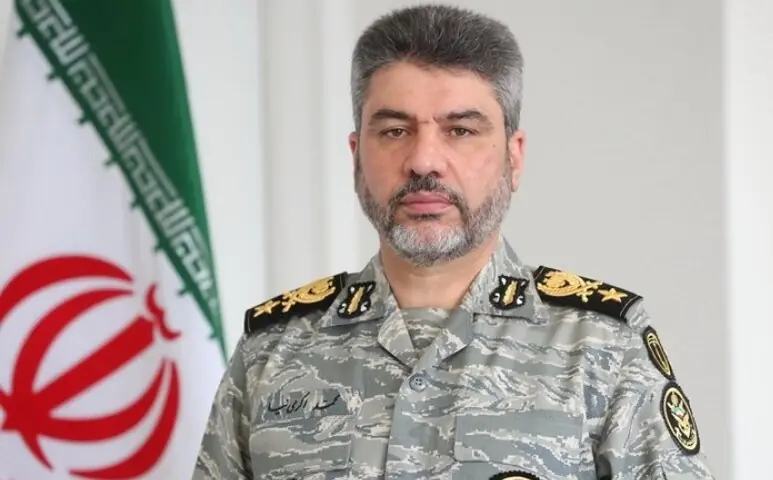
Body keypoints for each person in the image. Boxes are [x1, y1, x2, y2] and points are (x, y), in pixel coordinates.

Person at [192, 4, 715, 479]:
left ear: (514, 157)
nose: (424, 160)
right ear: (356, 157)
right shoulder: (271, 352)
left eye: (460, 130)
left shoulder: (602, 347)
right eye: (395, 131)